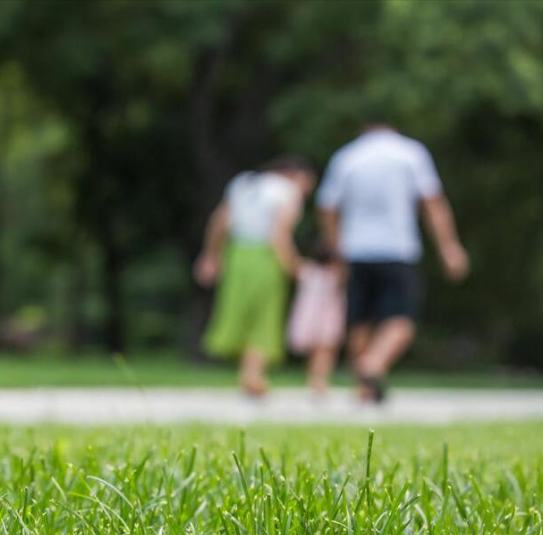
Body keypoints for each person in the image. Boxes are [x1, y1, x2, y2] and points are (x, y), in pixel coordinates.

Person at [317, 123, 469, 402]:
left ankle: (363, 388)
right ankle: (372, 365)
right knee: (402, 319)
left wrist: (336, 248)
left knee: (359, 320)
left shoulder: (347, 156)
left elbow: (327, 207)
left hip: (356, 249)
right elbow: (433, 202)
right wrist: (449, 247)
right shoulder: (411, 153)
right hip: (397, 248)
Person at [193, 157, 317, 396]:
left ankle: (248, 374)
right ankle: (253, 374)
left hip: (237, 253)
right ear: (296, 175)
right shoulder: (287, 191)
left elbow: (221, 221)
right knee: (265, 314)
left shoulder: (244, 182)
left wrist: (210, 255)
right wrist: (295, 266)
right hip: (266, 256)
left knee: (238, 310)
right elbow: (279, 234)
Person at [286, 240, 346, 396]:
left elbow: (291, 264)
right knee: (325, 352)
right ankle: (320, 380)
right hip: (327, 318)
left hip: (308, 318)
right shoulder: (335, 275)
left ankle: (313, 379)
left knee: (314, 352)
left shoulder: (307, 272)